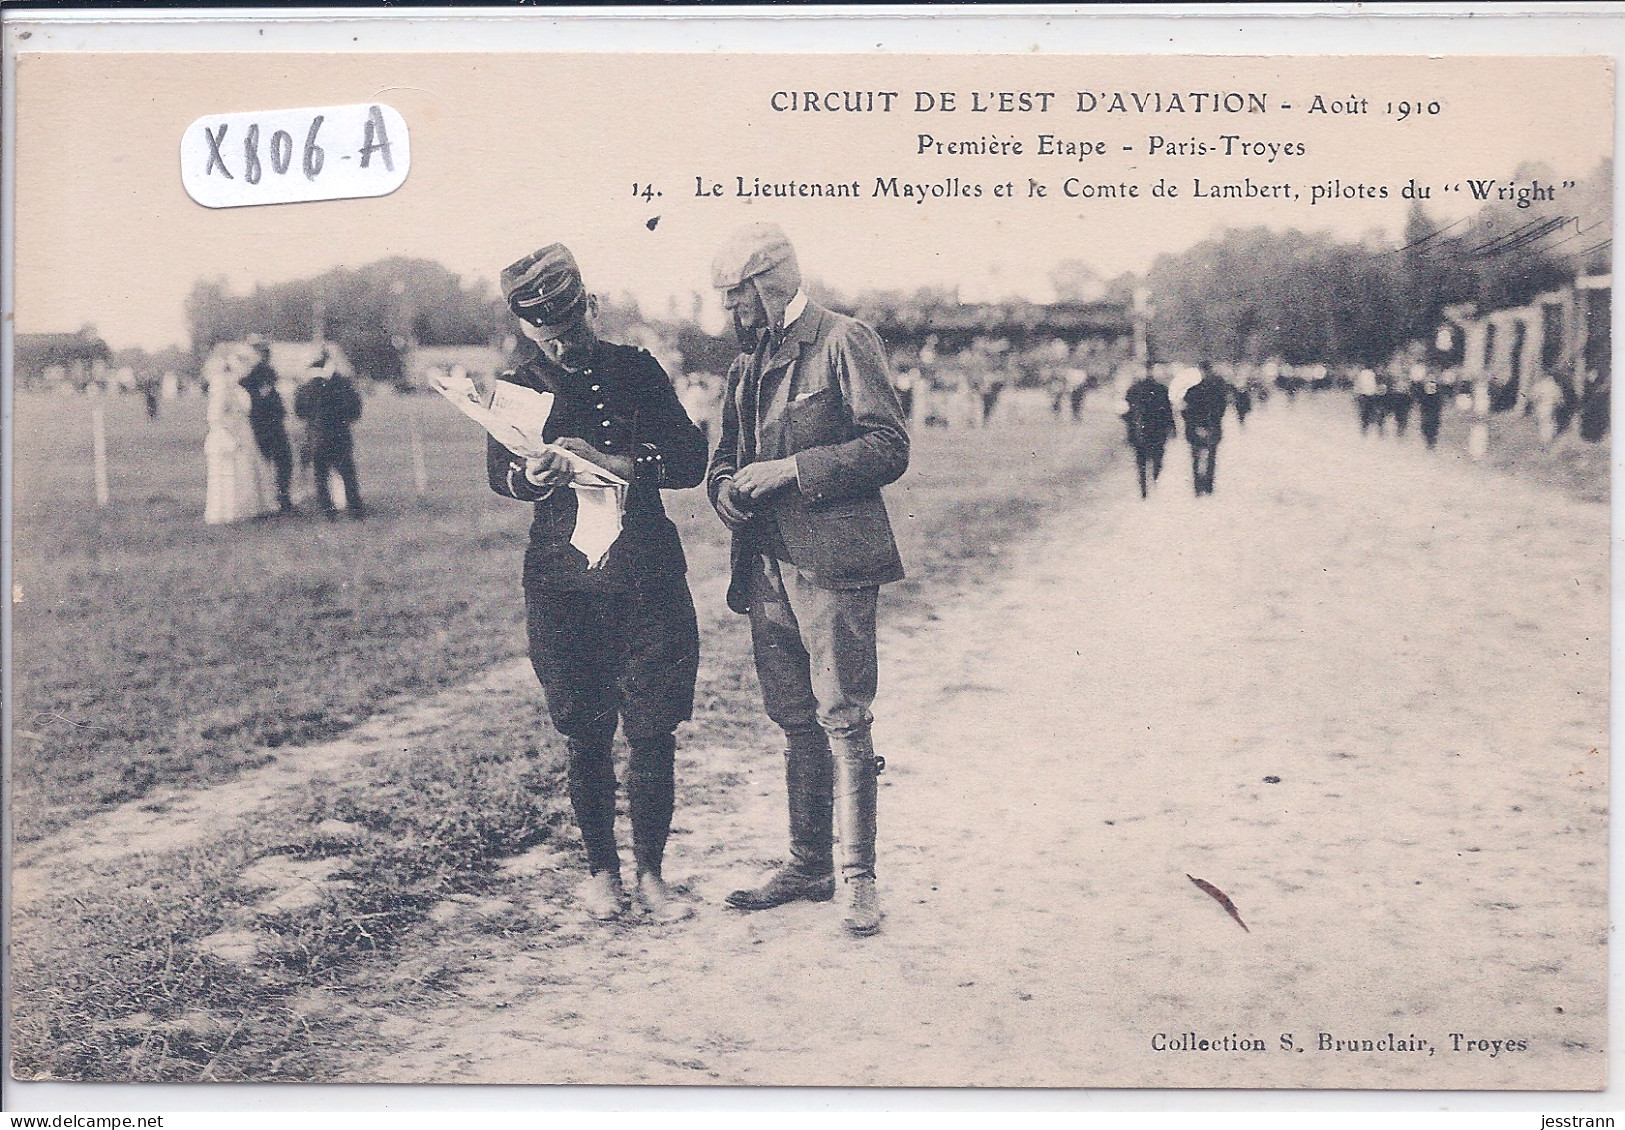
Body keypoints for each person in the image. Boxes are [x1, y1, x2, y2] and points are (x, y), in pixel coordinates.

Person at [488, 243, 707, 923]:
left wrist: (618, 461)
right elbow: (499, 473)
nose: (565, 348)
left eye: (574, 329)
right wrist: (530, 477)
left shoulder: (635, 369)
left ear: (592, 305)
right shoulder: (516, 383)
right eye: (549, 337)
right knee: (583, 732)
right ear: (528, 330)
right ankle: (599, 873)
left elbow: (690, 460)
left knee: (651, 729)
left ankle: (651, 875)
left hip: (643, 573)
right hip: (562, 582)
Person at [706, 222, 909, 937]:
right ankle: (807, 863)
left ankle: (858, 880)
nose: (730, 315)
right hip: (764, 565)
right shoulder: (743, 366)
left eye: (736, 299)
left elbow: (888, 445)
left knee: (843, 719)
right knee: (795, 721)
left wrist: (792, 470)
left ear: (769, 284)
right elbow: (722, 464)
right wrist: (727, 489)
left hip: (832, 565)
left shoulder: (843, 340)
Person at [294, 348, 365, 519]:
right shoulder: (343, 385)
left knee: (321, 477)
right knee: (347, 475)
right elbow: (355, 410)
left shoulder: (306, 388)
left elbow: (299, 412)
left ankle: (328, 511)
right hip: (340, 436)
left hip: (317, 437)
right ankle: (355, 510)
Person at [238, 339, 294, 513]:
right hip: (269, 425)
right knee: (282, 462)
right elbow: (266, 398)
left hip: (262, 424)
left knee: (272, 464)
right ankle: (280, 499)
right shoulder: (262, 372)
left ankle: (275, 499)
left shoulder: (250, 375)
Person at [1121, 367, 1176, 499]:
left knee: (1145, 460)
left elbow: (1167, 411)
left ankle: (1146, 486)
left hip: (1146, 431)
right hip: (1153, 431)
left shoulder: (1136, 390)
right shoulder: (1157, 389)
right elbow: (1168, 412)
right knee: (1151, 459)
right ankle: (1148, 486)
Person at [1182, 363, 1229, 497]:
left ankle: (1200, 485)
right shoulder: (1216, 389)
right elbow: (1221, 410)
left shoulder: (1192, 390)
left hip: (1198, 428)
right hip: (1211, 427)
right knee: (1209, 457)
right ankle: (1206, 484)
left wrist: (1196, 425)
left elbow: (1186, 411)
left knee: (1198, 457)